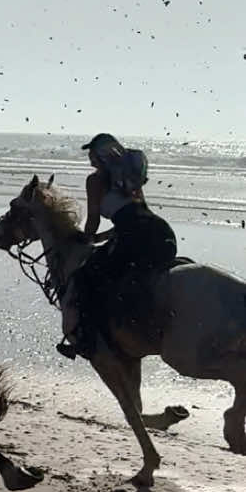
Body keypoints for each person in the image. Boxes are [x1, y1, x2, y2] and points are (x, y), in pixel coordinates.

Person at [58, 133, 177, 359]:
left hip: (136, 237)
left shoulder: (96, 181)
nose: (90, 159)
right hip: (160, 232)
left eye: (92, 154)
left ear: (102, 156)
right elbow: (137, 214)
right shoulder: (130, 177)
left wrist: (85, 239)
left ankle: (85, 340)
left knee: (86, 278)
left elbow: (93, 218)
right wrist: (105, 237)